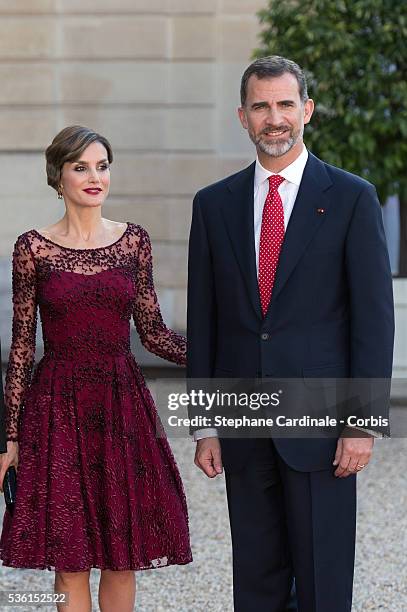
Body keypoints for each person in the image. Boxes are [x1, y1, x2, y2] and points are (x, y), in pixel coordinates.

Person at [187, 56, 394, 611]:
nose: (273, 118)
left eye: (284, 104)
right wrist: (205, 426)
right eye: (261, 106)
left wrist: (362, 424)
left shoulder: (352, 198)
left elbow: (374, 320)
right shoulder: (213, 206)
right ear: (242, 116)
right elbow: (205, 320)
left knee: (324, 582)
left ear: (306, 110)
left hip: (323, 428)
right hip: (244, 424)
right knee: (255, 579)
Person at [0, 125, 192, 612]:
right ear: (57, 175)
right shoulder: (32, 248)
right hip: (56, 408)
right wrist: (10, 438)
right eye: (80, 166)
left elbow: (153, 334)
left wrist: (220, 352)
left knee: (121, 557)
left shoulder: (134, 243)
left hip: (120, 405)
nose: (94, 177)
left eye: (102, 166)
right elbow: (22, 347)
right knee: (70, 558)